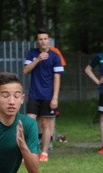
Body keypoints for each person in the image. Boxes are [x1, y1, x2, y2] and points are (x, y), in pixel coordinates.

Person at [23, 27, 64, 162]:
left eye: (45, 39)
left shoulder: (55, 56)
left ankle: (44, 152)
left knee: (46, 124)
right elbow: (25, 70)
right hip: (34, 94)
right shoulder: (32, 53)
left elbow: (57, 78)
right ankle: (28, 151)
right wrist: (38, 60)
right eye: (40, 39)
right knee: (29, 123)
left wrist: (55, 97)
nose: (43, 41)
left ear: (49, 40)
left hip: (48, 96)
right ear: (37, 41)